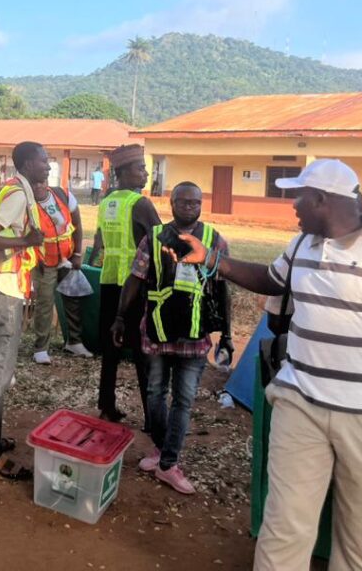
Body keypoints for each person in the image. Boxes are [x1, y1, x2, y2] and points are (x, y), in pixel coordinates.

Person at [168, 158, 362, 570]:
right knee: (283, 533)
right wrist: (213, 260)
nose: (293, 206)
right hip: (300, 406)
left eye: (298, 197)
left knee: (361, 546)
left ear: (322, 199)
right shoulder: (301, 245)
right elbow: (272, 279)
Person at [112, 181, 232, 494]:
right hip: (157, 332)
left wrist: (228, 333)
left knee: (183, 399)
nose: (190, 207)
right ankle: (164, 451)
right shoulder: (153, 238)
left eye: (196, 202)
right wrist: (121, 318)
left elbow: (222, 287)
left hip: (194, 336)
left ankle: (168, 462)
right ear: (172, 203)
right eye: (184, 202)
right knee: (153, 393)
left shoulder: (213, 240)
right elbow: (135, 279)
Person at [0, 141, 48, 480]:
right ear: (29, 163)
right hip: (3, 292)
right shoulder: (17, 195)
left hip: (2, 288)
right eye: (44, 160)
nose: (48, 166)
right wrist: (26, 243)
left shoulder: (18, 191)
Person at [91, 143, 162, 424]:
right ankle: (151, 415)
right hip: (135, 287)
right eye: (140, 168)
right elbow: (160, 240)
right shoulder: (140, 204)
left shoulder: (107, 201)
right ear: (123, 172)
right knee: (143, 352)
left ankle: (106, 404)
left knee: (111, 349)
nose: (146, 174)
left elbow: (99, 241)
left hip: (109, 283)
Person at [30, 179, 91, 364]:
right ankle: (41, 348)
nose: (38, 185)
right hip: (43, 262)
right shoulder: (25, 202)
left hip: (68, 258)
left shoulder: (63, 195)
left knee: (73, 300)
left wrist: (78, 254)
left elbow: (77, 225)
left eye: (41, 180)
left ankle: (74, 342)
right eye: (34, 182)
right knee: (45, 303)